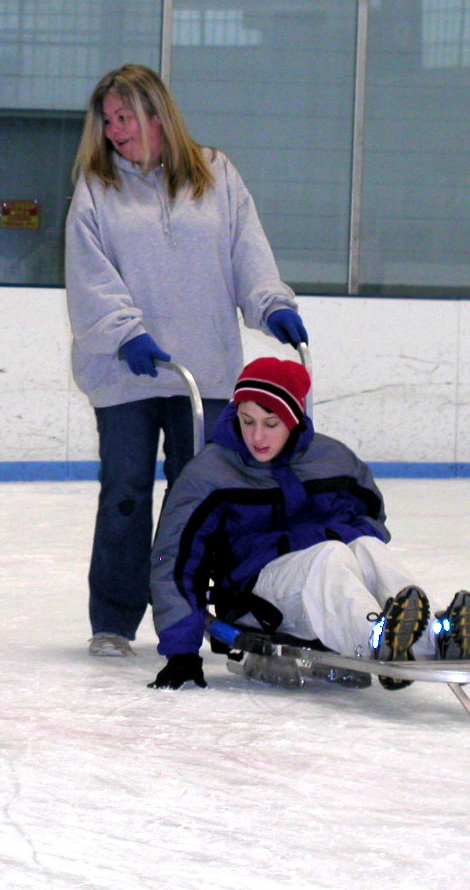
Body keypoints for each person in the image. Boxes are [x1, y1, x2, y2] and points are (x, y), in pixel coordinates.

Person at [65, 63, 308, 658]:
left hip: (207, 369)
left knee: (197, 495)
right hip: (128, 370)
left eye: (125, 116)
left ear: (157, 113)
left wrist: (271, 305)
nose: (115, 129)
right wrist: (125, 333)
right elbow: (89, 271)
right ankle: (114, 619)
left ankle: (197, 612)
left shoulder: (216, 174)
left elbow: (247, 253)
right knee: (124, 491)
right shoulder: (98, 187)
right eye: (108, 120)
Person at [147, 357, 470, 691]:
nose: (257, 436)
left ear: (294, 419)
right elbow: (174, 560)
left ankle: (437, 634)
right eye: (246, 420)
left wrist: (329, 536)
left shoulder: (333, 459)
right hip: (255, 595)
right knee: (328, 555)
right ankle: (379, 639)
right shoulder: (209, 474)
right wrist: (182, 652)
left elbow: (372, 519)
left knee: (366, 548)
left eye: (271, 424)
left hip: (319, 581)